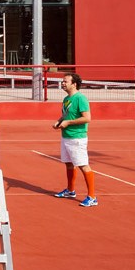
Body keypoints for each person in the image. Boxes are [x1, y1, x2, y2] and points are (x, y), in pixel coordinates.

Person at [53, 72, 97, 207]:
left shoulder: (80, 98)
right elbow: (65, 115)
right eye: (62, 81)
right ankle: (70, 190)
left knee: (83, 165)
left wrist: (68, 123)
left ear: (74, 84)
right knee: (68, 163)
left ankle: (92, 197)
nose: (63, 83)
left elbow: (87, 118)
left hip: (77, 138)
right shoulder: (66, 99)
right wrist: (59, 121)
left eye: (65, 81)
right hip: (66, 136)